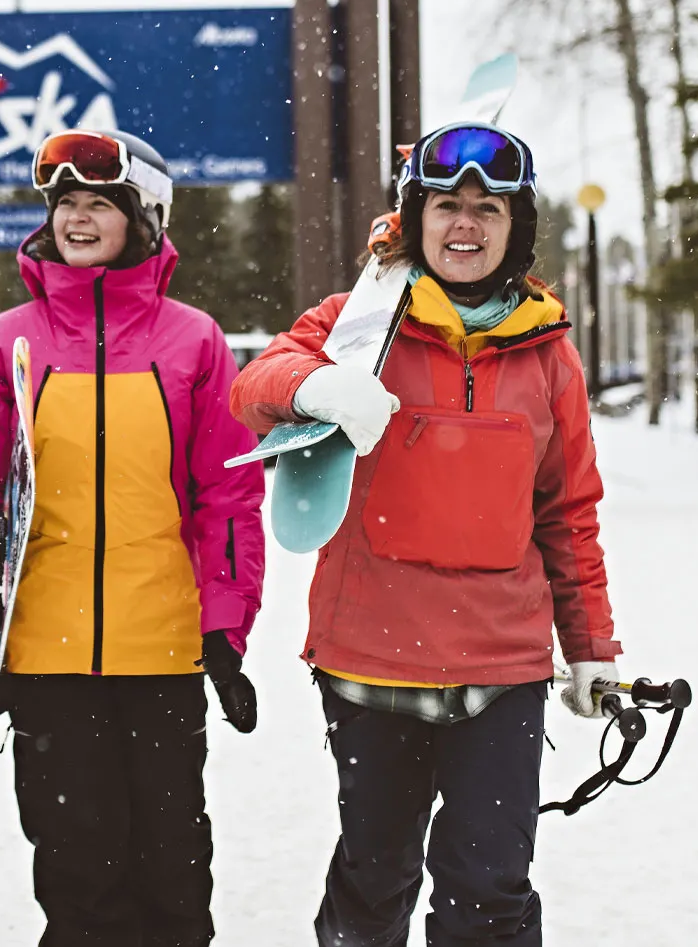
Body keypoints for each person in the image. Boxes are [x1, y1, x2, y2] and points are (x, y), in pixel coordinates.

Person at [230, 121, 621, 947]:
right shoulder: (357, 325)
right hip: (368, 659)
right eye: (446, 205)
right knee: (374, 877)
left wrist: (591, 647)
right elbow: (256, 385)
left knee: (490, 890)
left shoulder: (549, 355)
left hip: (503, 667)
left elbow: (567, 512)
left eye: (489, 207)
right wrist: (320, 386)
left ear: (517, 229)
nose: (466, 224)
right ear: (416, 219)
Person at [0, 127, 267, 947]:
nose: (78, 219)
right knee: (80, 883)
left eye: (99, 204)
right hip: (46, 658)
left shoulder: (193, 341)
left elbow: (226, 497)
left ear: (142, 217)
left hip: (160, 651)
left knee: (174, 878)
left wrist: (224, 628)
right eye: (66, 204)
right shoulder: (5, 342)